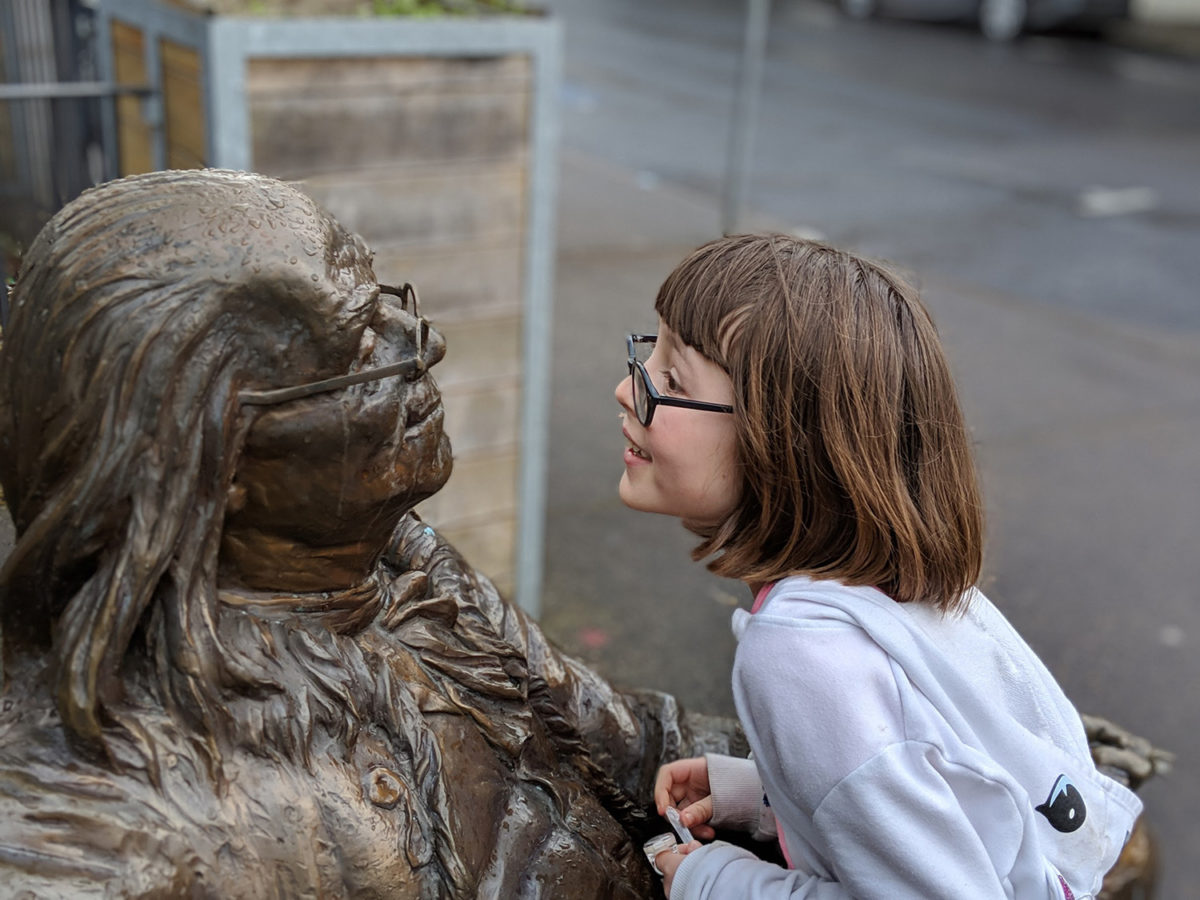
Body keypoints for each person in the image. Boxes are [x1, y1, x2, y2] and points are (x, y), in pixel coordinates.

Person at [0, 168, 742, 897]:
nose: (425, 342)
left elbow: (636, 740)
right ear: (207, 456)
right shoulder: (98, 835)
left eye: (382, 299)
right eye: (354, 344)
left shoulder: (387, 563)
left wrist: (824, 751)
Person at [616, 235, 1144, 899]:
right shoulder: (894, 586)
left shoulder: (798, 657)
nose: (623, 388)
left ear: (783, 440)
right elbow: (940, 781)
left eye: (671, 381)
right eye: (649, 356)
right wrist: (766, 792)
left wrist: (711, 877)